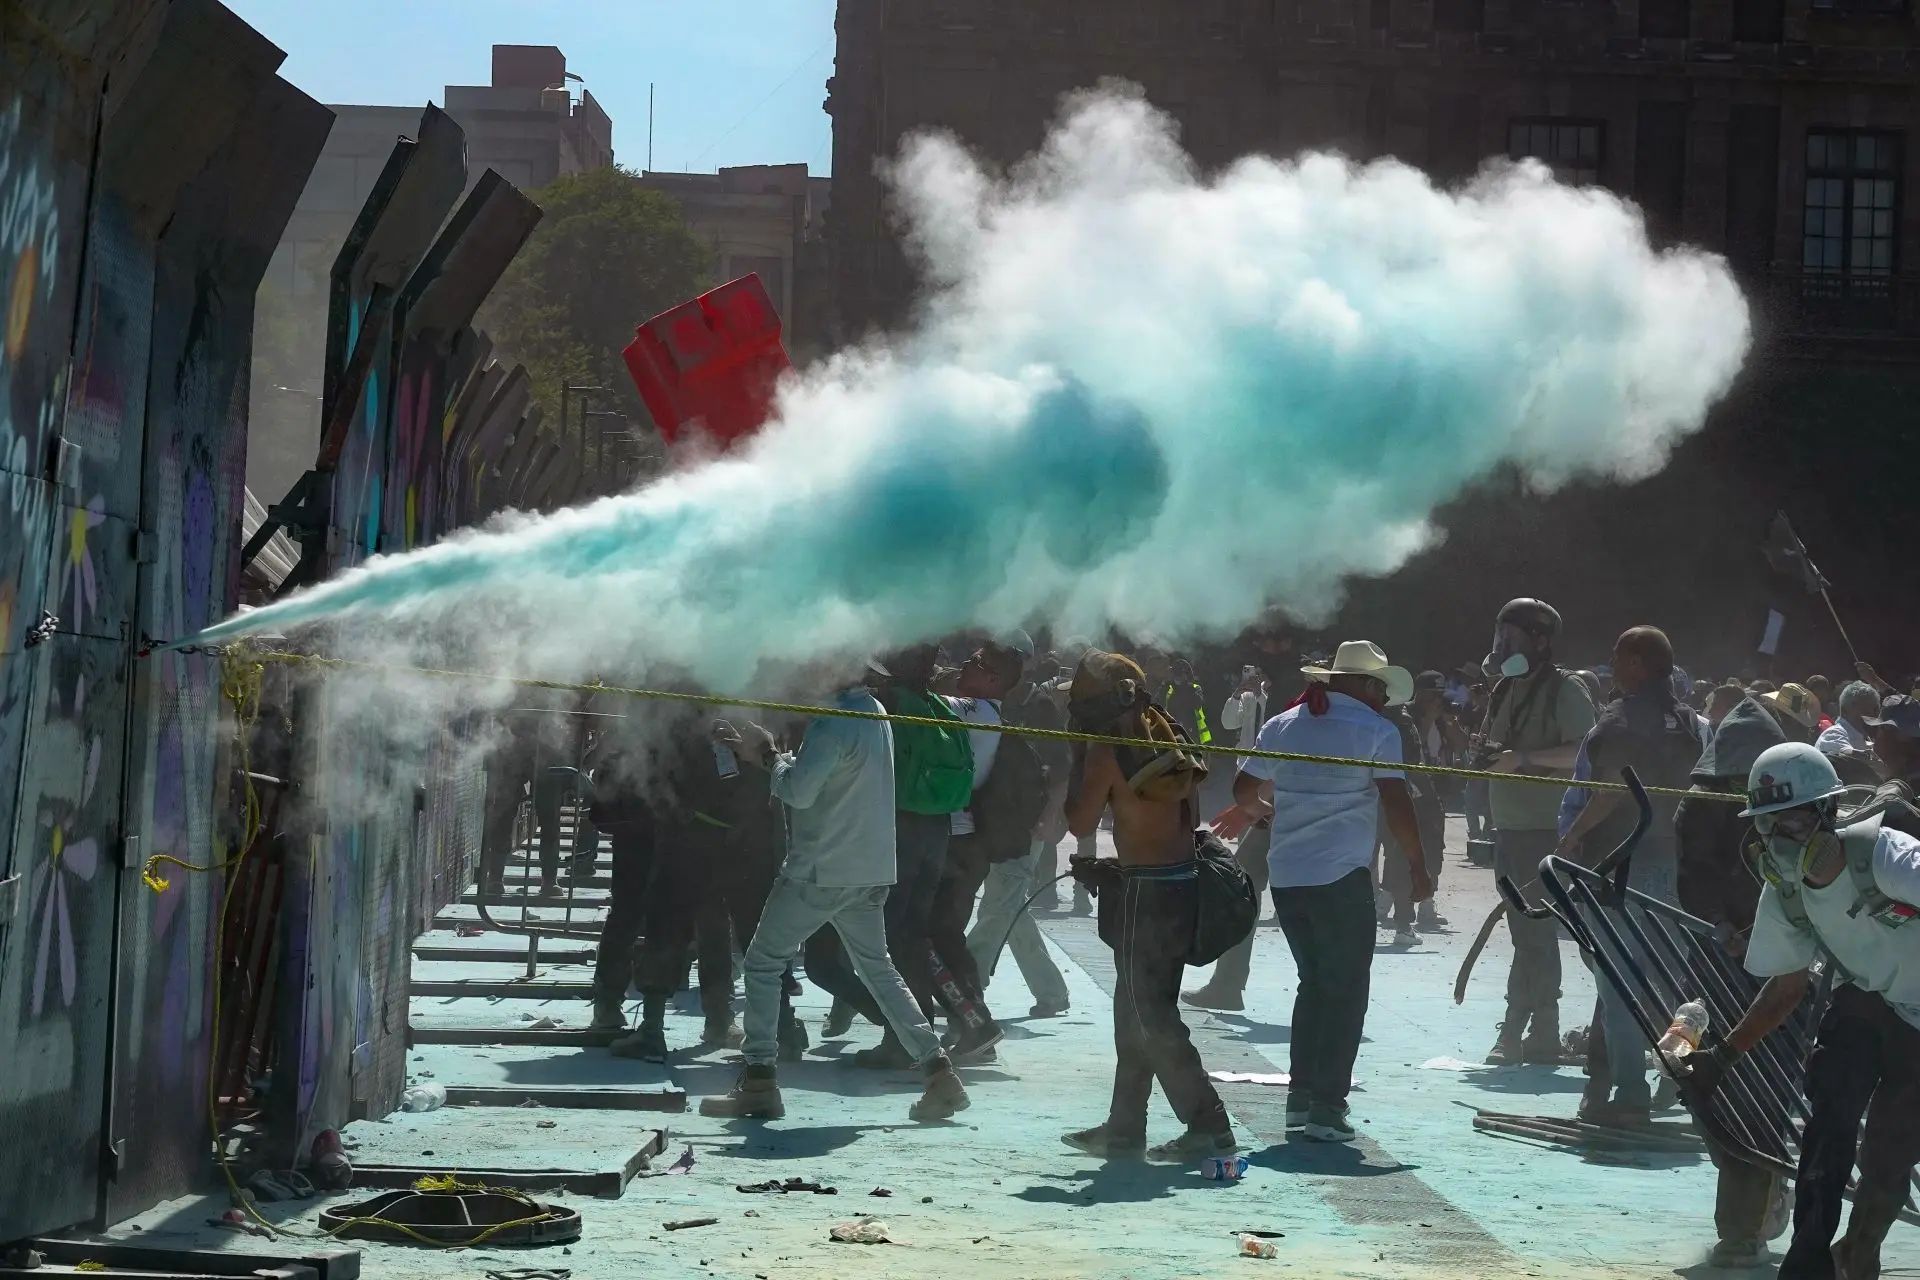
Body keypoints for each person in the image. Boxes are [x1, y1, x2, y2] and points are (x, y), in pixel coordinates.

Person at [1686, 743, 1920, 1279]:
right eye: (1766, 826)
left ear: (1826, 814)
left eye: (1790, 822)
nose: (1778, 840)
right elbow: (1787, 986)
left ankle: (1860, 1253)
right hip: (1870, 999)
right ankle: (1807, 1258)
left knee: (1890, 1150)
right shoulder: (1786, 893)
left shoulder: (1888, 857)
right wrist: (1722, 1058)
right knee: (1827, 1126)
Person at [699, 667, 969, 1123]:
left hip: (822, 870)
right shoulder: (873, 710)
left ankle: (760, 1079)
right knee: (881, 972)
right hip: (869, 869)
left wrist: (766, 755)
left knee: (763, 964)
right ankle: (939, 1072)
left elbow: (799, 792)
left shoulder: (831, 723)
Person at [1230, 642, 1430, 1142]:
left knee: (1314, 985)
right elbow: (1396, 800)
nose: (1382, 695)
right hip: (1341, 875)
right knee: (1345, 993)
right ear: (1361, 685)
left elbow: (1242, 790)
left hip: (1290, 875)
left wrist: (1272, 815)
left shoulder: (1284, 723)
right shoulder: (1377, 731)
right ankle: (1327, 1108)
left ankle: (1301, 1097)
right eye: (1379, 685)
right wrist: (1417, 864)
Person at [1060, 650, 1238, 1161]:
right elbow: (1179, 822)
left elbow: (1079, 822)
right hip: (1181, 882)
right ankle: (1124, 1127)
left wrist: (1077, 759)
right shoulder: (1171, 735)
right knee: (1133, 1012)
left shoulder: (1105, 752)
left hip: (1147, 894)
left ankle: (1209, 1125)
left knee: (1149, 1017)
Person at [1675, 684, 1810, 1267]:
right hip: (1713, 963)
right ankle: (1752, 1195)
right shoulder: (1697, 806)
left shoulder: (1798, 808)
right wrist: (1720, 927)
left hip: (1781, 967)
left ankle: (1741, 1228)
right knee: (1699, 1081)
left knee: (1766, 1094)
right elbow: (1692, 880)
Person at [1552, 627, 1703, 1125]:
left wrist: (1570, 839)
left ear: (1637, 662)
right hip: (1667, 864)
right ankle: (1674, 1076)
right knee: (1661, 983)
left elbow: (1610, 789)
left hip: (1618, 866)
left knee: (1617, 985)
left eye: (1618, 656)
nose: (1612, 664)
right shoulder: (1686, 721)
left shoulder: (1620, 718)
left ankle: (1631, 1094)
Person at [1479, 598, 1598, 1064]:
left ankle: (1517, 1032)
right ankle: (1541, 1032)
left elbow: (1584, 754)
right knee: (1529, 935)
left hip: (1547, 832)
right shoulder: (1506, 688)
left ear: (1541, 641)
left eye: (1512, 637)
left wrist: (1523, 760)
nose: (1501, 645)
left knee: (1534, 935)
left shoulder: (1565, 690)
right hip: (1510, 828)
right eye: (1499, 635)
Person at [925, 637, 1032, 1061]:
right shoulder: (978, 709)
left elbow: (923, 705)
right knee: (945, 937)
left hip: (957, 840)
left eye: (974, 662)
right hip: (963, 841)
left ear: (992, 679)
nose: (963, 666)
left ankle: (976, 1024)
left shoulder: (978, 710)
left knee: (931, 937)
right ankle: (973, 1023)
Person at [966, 641, 1073, 1020]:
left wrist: (1051, 814)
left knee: (997, 906)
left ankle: (967, 988)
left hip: (1028, 824)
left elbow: (1062, 764)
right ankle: (1052, 991)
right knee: (1011, 907)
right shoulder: (976, 702)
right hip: (995, 822)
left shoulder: (1038, 706)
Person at [1816, 680, 1883, 782]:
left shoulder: (1865, 737)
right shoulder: (1834, 733)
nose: (1871, 714)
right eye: (1864, 708)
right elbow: (1848, 756)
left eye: (1874, 708)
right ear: (1845, 709)